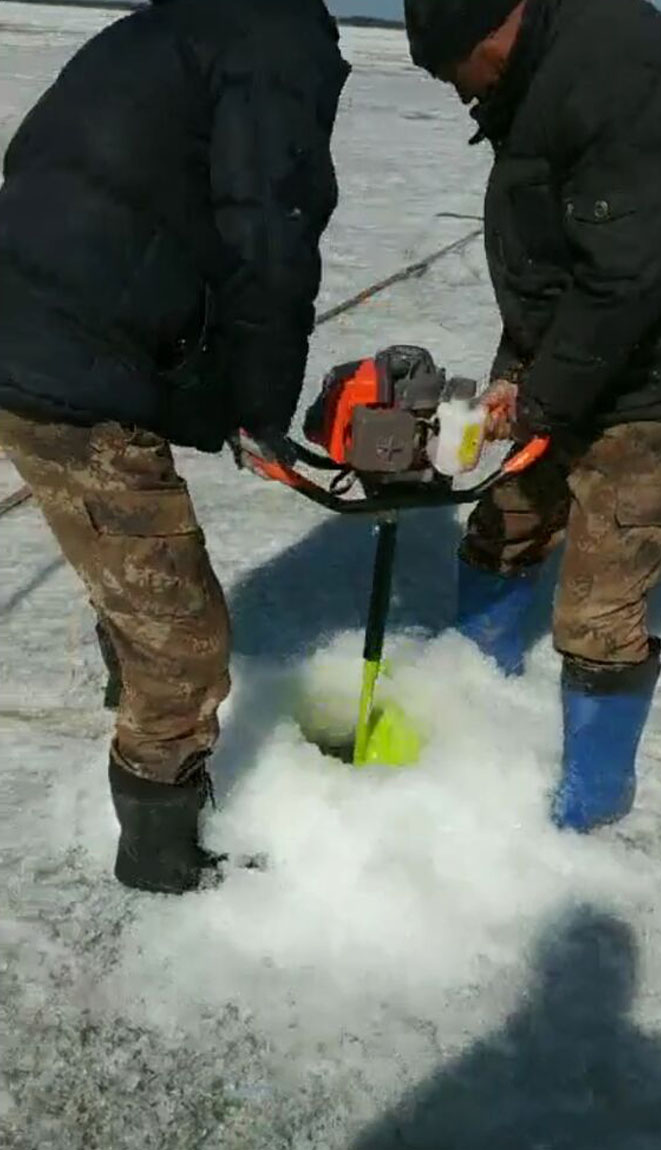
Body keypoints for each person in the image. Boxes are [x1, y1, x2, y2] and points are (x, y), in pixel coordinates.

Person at [0, 0, 350, 893]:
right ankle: (161, 861)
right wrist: (261, 408)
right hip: (60, 371)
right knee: (184, 643)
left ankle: (134, 705)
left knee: (139, 590)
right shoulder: (270, 34)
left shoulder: (180, 27)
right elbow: (270, 231)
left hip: (54, 340)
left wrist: (208, 401)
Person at [405, 0, 661, 831]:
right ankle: (471, 707)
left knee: (597, 610)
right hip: (589, 348)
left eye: (452, 70)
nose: (456, 92)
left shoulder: (614, 75)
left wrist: (540, 397)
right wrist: (513, 374)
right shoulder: (538, 70)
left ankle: (587, 808)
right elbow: (564, 252)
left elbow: (629, 275)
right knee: (505, 525)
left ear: (489, 34)